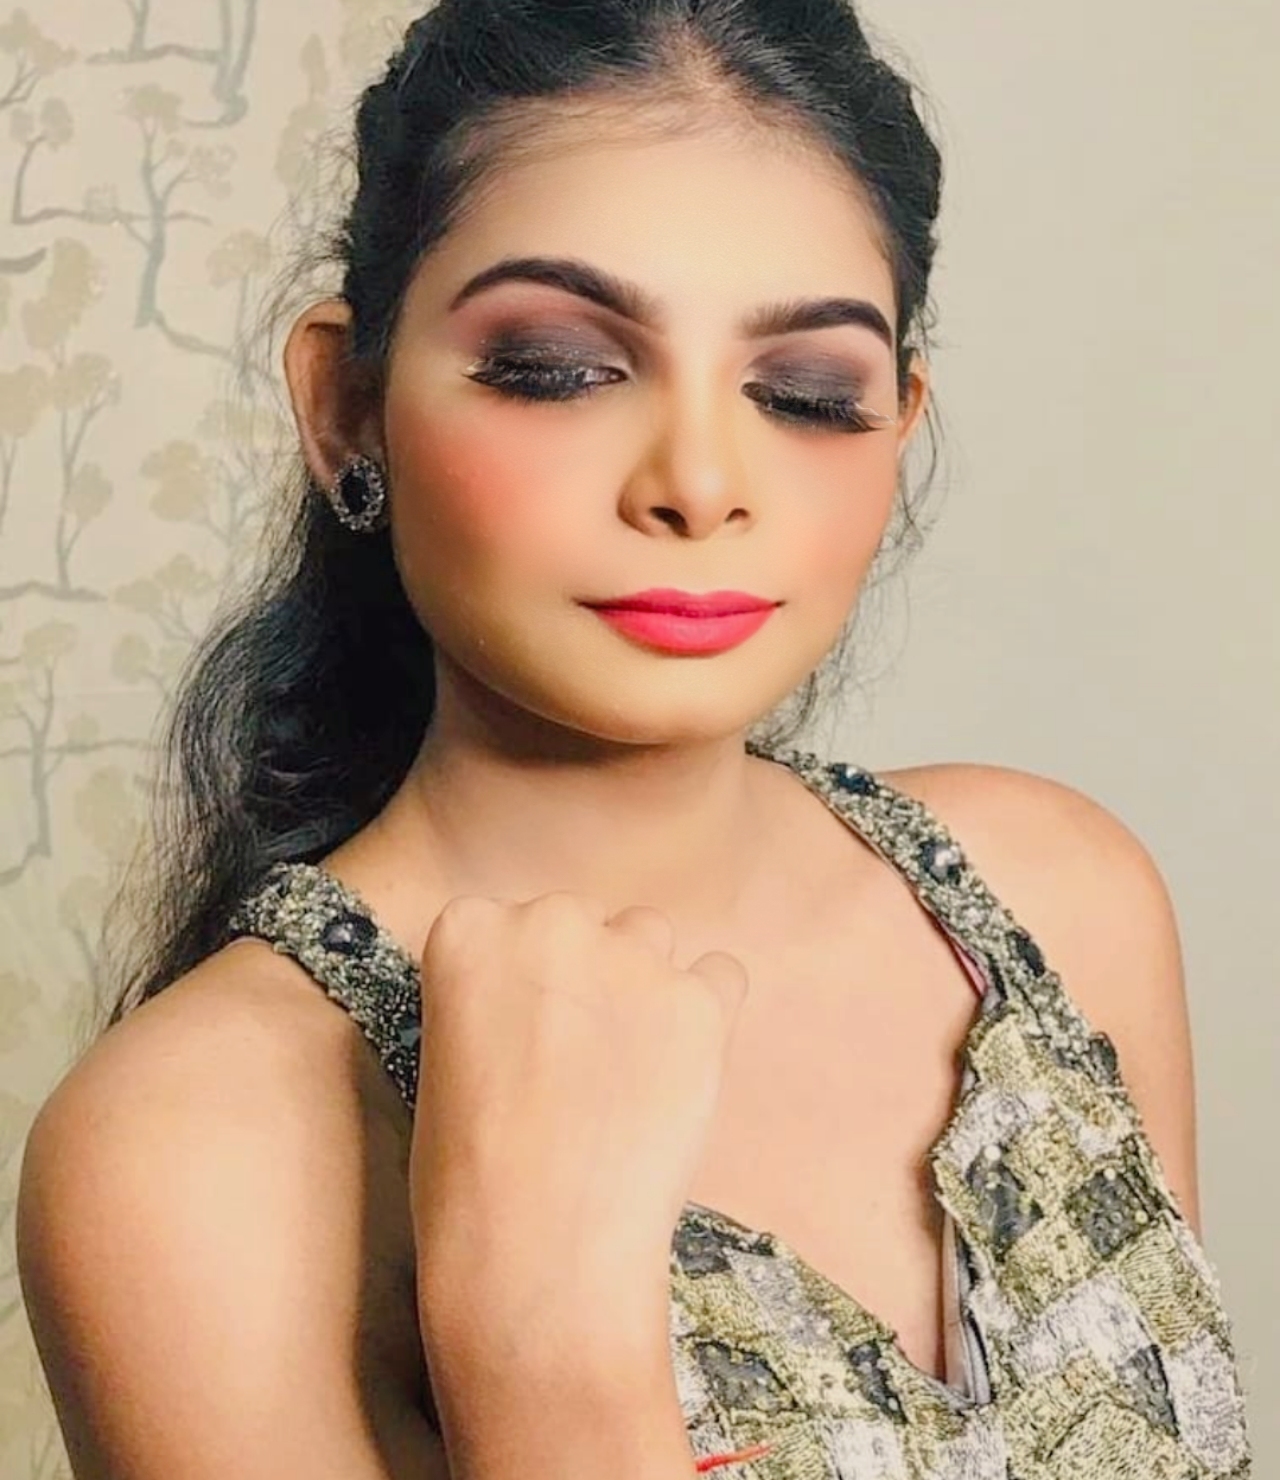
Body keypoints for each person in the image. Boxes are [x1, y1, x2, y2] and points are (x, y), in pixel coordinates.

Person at [15, 1, 1251, 1477]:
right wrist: (540, 1345)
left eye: (807, 395)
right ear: (347, 407)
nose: (701, 482)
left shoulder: (1056, 893)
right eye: (558, 366)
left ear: (898, 427)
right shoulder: (195, 1150)